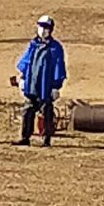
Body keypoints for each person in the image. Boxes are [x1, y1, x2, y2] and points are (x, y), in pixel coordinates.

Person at [13, 15, 66, 146]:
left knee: (47, 112)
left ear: (50, 30)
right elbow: (26, 62)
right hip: (32, 85)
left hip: (46, 87)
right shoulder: (33, 45)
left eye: (46, 28)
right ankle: (25, 138)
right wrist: (22, 78)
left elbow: (59, 67)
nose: (43, 30)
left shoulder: (55, 48)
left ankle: (47, 139)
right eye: (41, 27)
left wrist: (56, 86)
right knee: (27, 111)